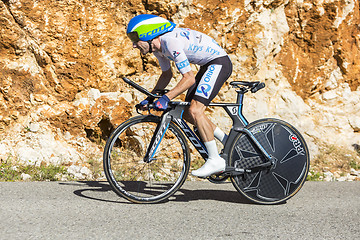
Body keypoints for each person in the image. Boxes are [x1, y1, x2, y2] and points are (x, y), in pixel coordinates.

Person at [126, 14, 232, 178]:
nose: (133, 45)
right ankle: (228, 142)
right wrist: (150, 98)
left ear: (147, 34)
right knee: (189, 113)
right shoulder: (158, 49)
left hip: (218, 63)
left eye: (134, 38)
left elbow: (189, 78)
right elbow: (166, 76)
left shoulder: (170, 42)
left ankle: (215, 160)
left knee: (196, 110)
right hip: (207, 65)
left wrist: (166, 98)